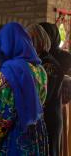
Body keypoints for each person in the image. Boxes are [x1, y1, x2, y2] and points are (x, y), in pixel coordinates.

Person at [0, 22, 49, 155]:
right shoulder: (40, 69)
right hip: (37, 130)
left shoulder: (10, 70)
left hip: (15, 133)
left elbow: (2, 110)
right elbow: (42, 100)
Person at [26, 23, 63, 156]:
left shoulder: (48, 64)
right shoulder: (39, 61)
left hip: (49, 119)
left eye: (29, 40)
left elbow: (45, 96)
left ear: (37, 41)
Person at [40, 22, 71, 156]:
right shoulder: (60, 57)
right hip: (59, 109)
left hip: (53, 110)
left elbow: (46, 93)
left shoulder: (48, 61)